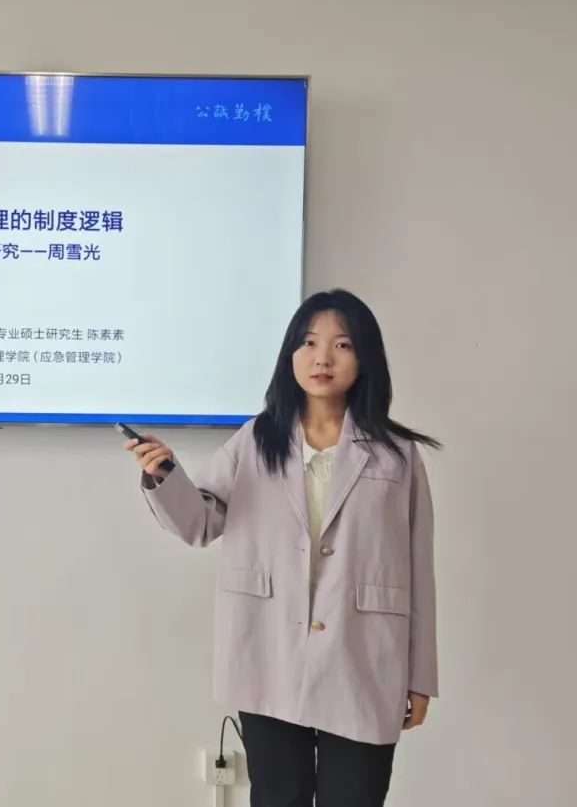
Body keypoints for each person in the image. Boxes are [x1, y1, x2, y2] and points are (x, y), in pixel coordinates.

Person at [125, 289, 439, 807]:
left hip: (363, 657)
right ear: (290, 354)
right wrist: (165, 475)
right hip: (267, 651)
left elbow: (418, 570)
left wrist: (420, 675)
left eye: (342, 345)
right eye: (308, 343)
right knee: (278, 797)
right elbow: (200, 522)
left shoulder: (397, 455)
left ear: (365, 358)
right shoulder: (255, 441)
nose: (322, 358)